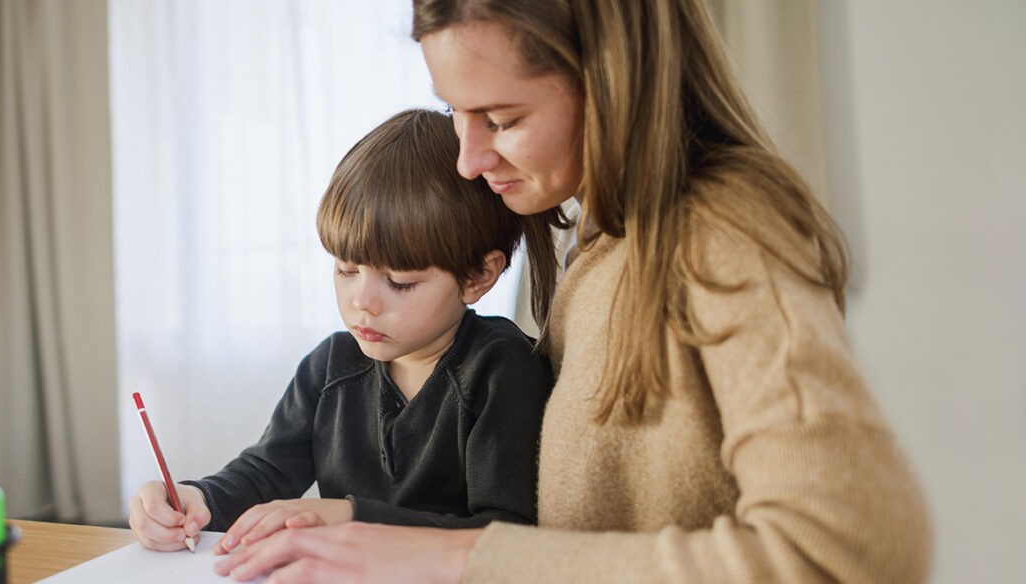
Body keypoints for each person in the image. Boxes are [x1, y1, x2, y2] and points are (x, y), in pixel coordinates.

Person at [211, 1, 933, 583]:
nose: (468, 157)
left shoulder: (722, 236)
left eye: (500, 120)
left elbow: (849, 547)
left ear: (613, 79)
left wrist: (450, 556)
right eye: (456, 113)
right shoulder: (601, 236)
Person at [128, 108, 559, 556]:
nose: (362, 302)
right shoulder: (330, 365)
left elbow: (505, 533)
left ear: (477, 277)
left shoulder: (502, 370)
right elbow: (267, 471)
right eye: (346, 270)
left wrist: (354, 517)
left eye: (401, 282)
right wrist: (196, 499)